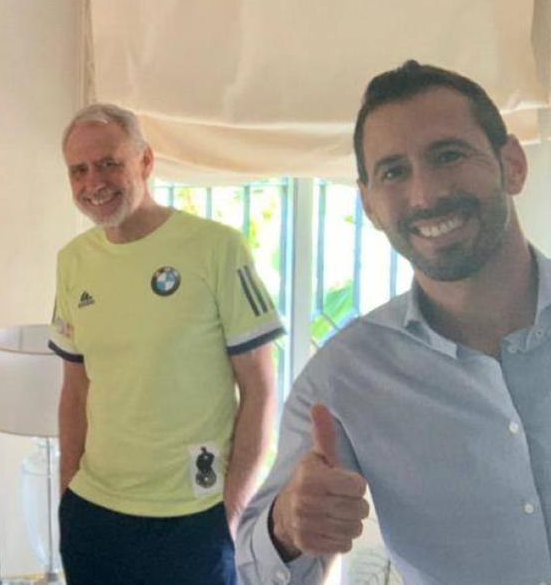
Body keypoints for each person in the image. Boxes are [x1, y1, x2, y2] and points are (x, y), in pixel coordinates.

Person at [235, 60, 551, 585]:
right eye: (393, 171)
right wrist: (289, 526)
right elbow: (254, 569)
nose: (425, 194)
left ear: (511, 164)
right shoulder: (342, 377)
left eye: (448, 155)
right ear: (369, 205)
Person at [51, 103, 284, 585]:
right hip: (94, 514)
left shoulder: (217, 249)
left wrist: (231, 510)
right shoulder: (73, 262)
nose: (94, 181)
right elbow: (75, 389)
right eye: (79, 170)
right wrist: (68, 492)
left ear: (146, 162)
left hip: (193, 517)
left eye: (110, 162)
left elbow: (260, 390)